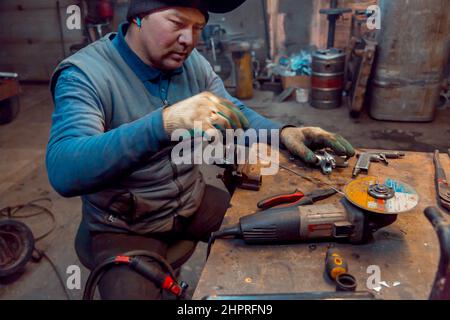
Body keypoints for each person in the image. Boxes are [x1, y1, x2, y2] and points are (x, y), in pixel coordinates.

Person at [46, 0, 355, 299]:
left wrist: (285, 133)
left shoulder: (193, 64)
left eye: (198, 28)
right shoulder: (84, 74)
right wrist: (163, 124)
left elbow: (234, 115)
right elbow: (64, 169)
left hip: (189, 200)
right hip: (126, 223)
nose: (189, 40)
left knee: (276, 230)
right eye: (178, 24)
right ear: (137, 17)